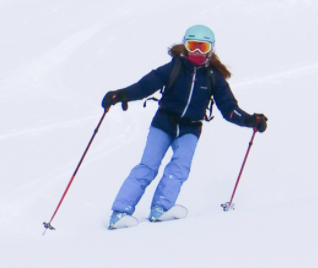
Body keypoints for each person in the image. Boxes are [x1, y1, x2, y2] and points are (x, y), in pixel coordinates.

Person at [103, 25, 268, 228]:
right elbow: (145, 86)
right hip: (164, 124)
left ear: (211, 49)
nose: (197, 51)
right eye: (193, 46)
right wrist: (120, 95)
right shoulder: (174, 68)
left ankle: (161, 209)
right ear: (185, 45)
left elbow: (229, 108)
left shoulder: (213, 77)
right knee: (148, 166)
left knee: (180, 168)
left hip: (190, 129)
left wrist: (250, 119)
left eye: (202, 47)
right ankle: (119, 213)